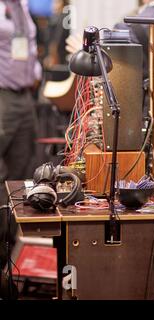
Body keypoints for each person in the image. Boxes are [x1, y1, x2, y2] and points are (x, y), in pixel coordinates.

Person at [0, 0, 41, 268]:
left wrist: (36, 73)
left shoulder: (22, 5)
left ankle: (7, 256)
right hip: (2, 97)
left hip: (26, 98)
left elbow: (27, 45)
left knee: (20, 179)